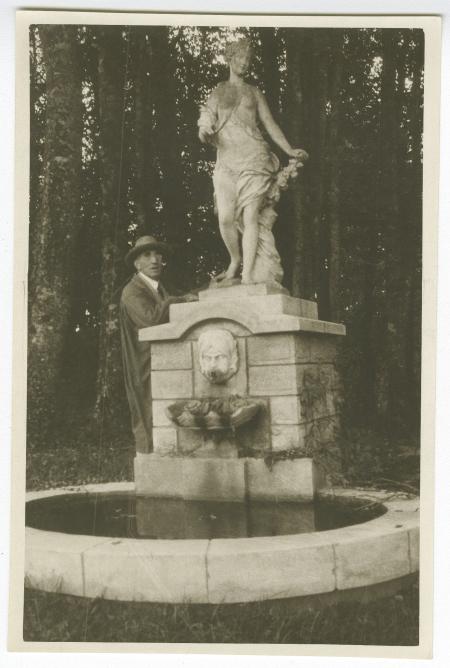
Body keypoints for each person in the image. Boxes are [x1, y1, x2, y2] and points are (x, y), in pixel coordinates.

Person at [198, 37, 308, 284]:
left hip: (254, 158)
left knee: (250, 216)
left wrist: (289, 150)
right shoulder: (218, 91)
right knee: (225, 217)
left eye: (248, 59)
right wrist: (203, 131)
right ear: (230, 58)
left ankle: (247, 275)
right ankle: (235, 260)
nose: (245, 63)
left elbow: (269, 124)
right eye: (240, 58)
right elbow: (206, 118)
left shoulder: (254, 92)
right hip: (227, 161)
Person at [120, 235, 198, 452]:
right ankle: (150, 459)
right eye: (147, 255)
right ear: (137, 263)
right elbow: (151, 320)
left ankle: (167, 454)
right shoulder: (132, 290)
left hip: (160, 361)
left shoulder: (158, 288)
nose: (154, 260)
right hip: (143, 363)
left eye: (157, 254)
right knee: (147, 410)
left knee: (166, 409)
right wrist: (176, 301)